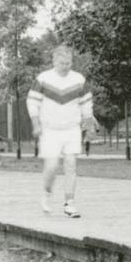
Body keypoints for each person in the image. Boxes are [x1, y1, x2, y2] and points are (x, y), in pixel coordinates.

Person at [26, 44, 94, 218]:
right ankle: (46, 194)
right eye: (63, 63)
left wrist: (89, 126)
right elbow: (33, 102)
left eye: (69, 63)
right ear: (54, 62)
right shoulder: (43, 79)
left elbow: (86, 104)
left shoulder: (79, 79)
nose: (66, 66)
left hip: (72, 128)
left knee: (71, 164)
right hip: (50, 130)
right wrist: (36, 124)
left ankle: (69, 203)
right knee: (52, 166)